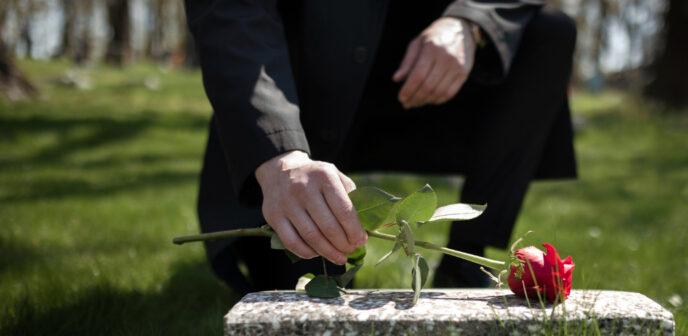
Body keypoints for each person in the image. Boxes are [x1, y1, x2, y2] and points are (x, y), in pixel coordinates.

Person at [185, 0, 578, 295]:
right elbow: (233, 13)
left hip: (422, 91)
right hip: (302, 108)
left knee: (549, 30)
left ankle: (467, 260)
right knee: (302, 282)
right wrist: (278, 153)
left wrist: (470, 20)